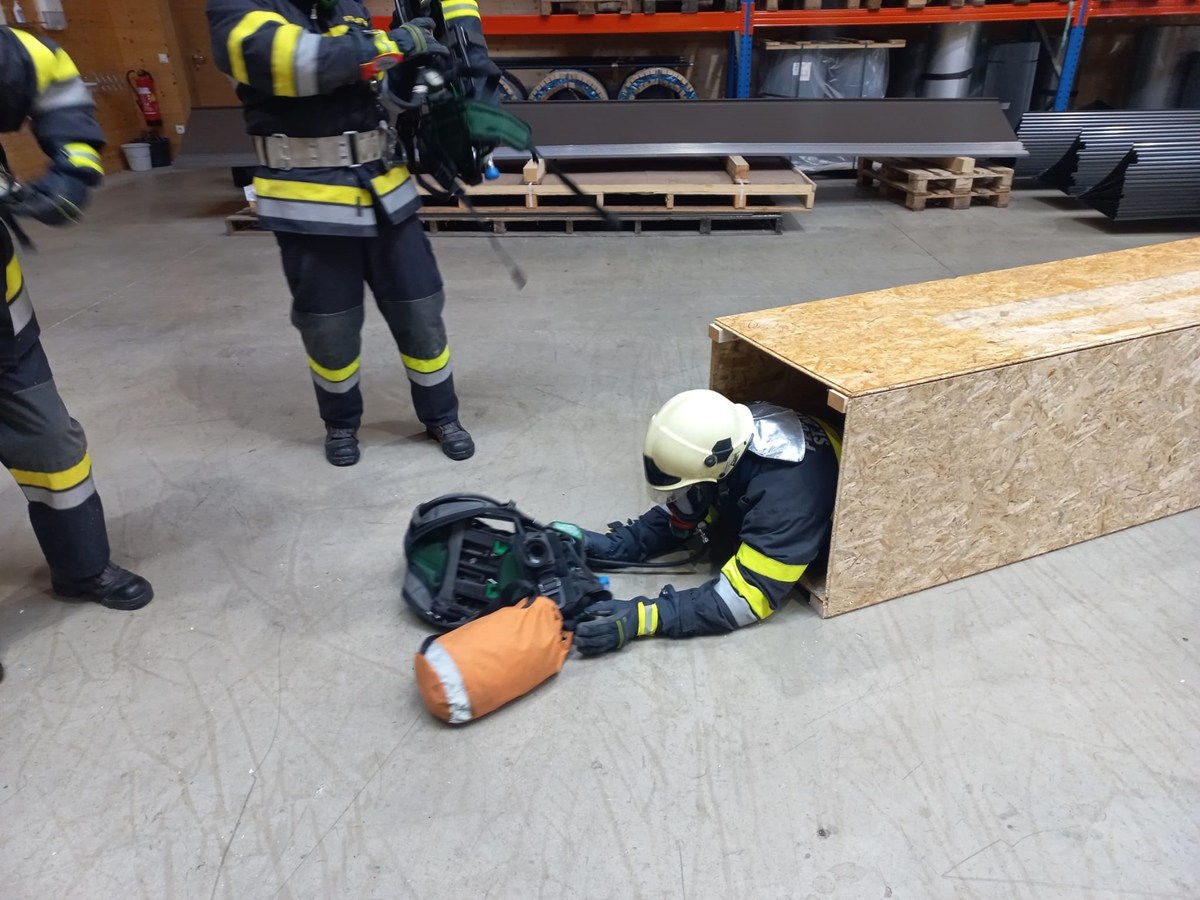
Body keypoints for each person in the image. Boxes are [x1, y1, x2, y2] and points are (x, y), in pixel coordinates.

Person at [207, 0, 501, 465]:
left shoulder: (345, 6)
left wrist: (417, 80)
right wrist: (391, 45)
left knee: (421, 311)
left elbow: (373, 89)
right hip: (309, 204)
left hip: (385, 193)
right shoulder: (237, 6)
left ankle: (442, 415)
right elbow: (296, 61)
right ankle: (341, 424)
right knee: (329, 327)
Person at [0, 27, 155, 638]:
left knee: (53, 449)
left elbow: (48, 70)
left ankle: (82, 570)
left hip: (5, 330)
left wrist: (74, 167)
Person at [572, 390, 841, 656]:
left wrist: (644, 617)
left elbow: (744, 598)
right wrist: (619, 544)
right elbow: (692, 497)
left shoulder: (787, 505)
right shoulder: (730, 427)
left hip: (818, 507)